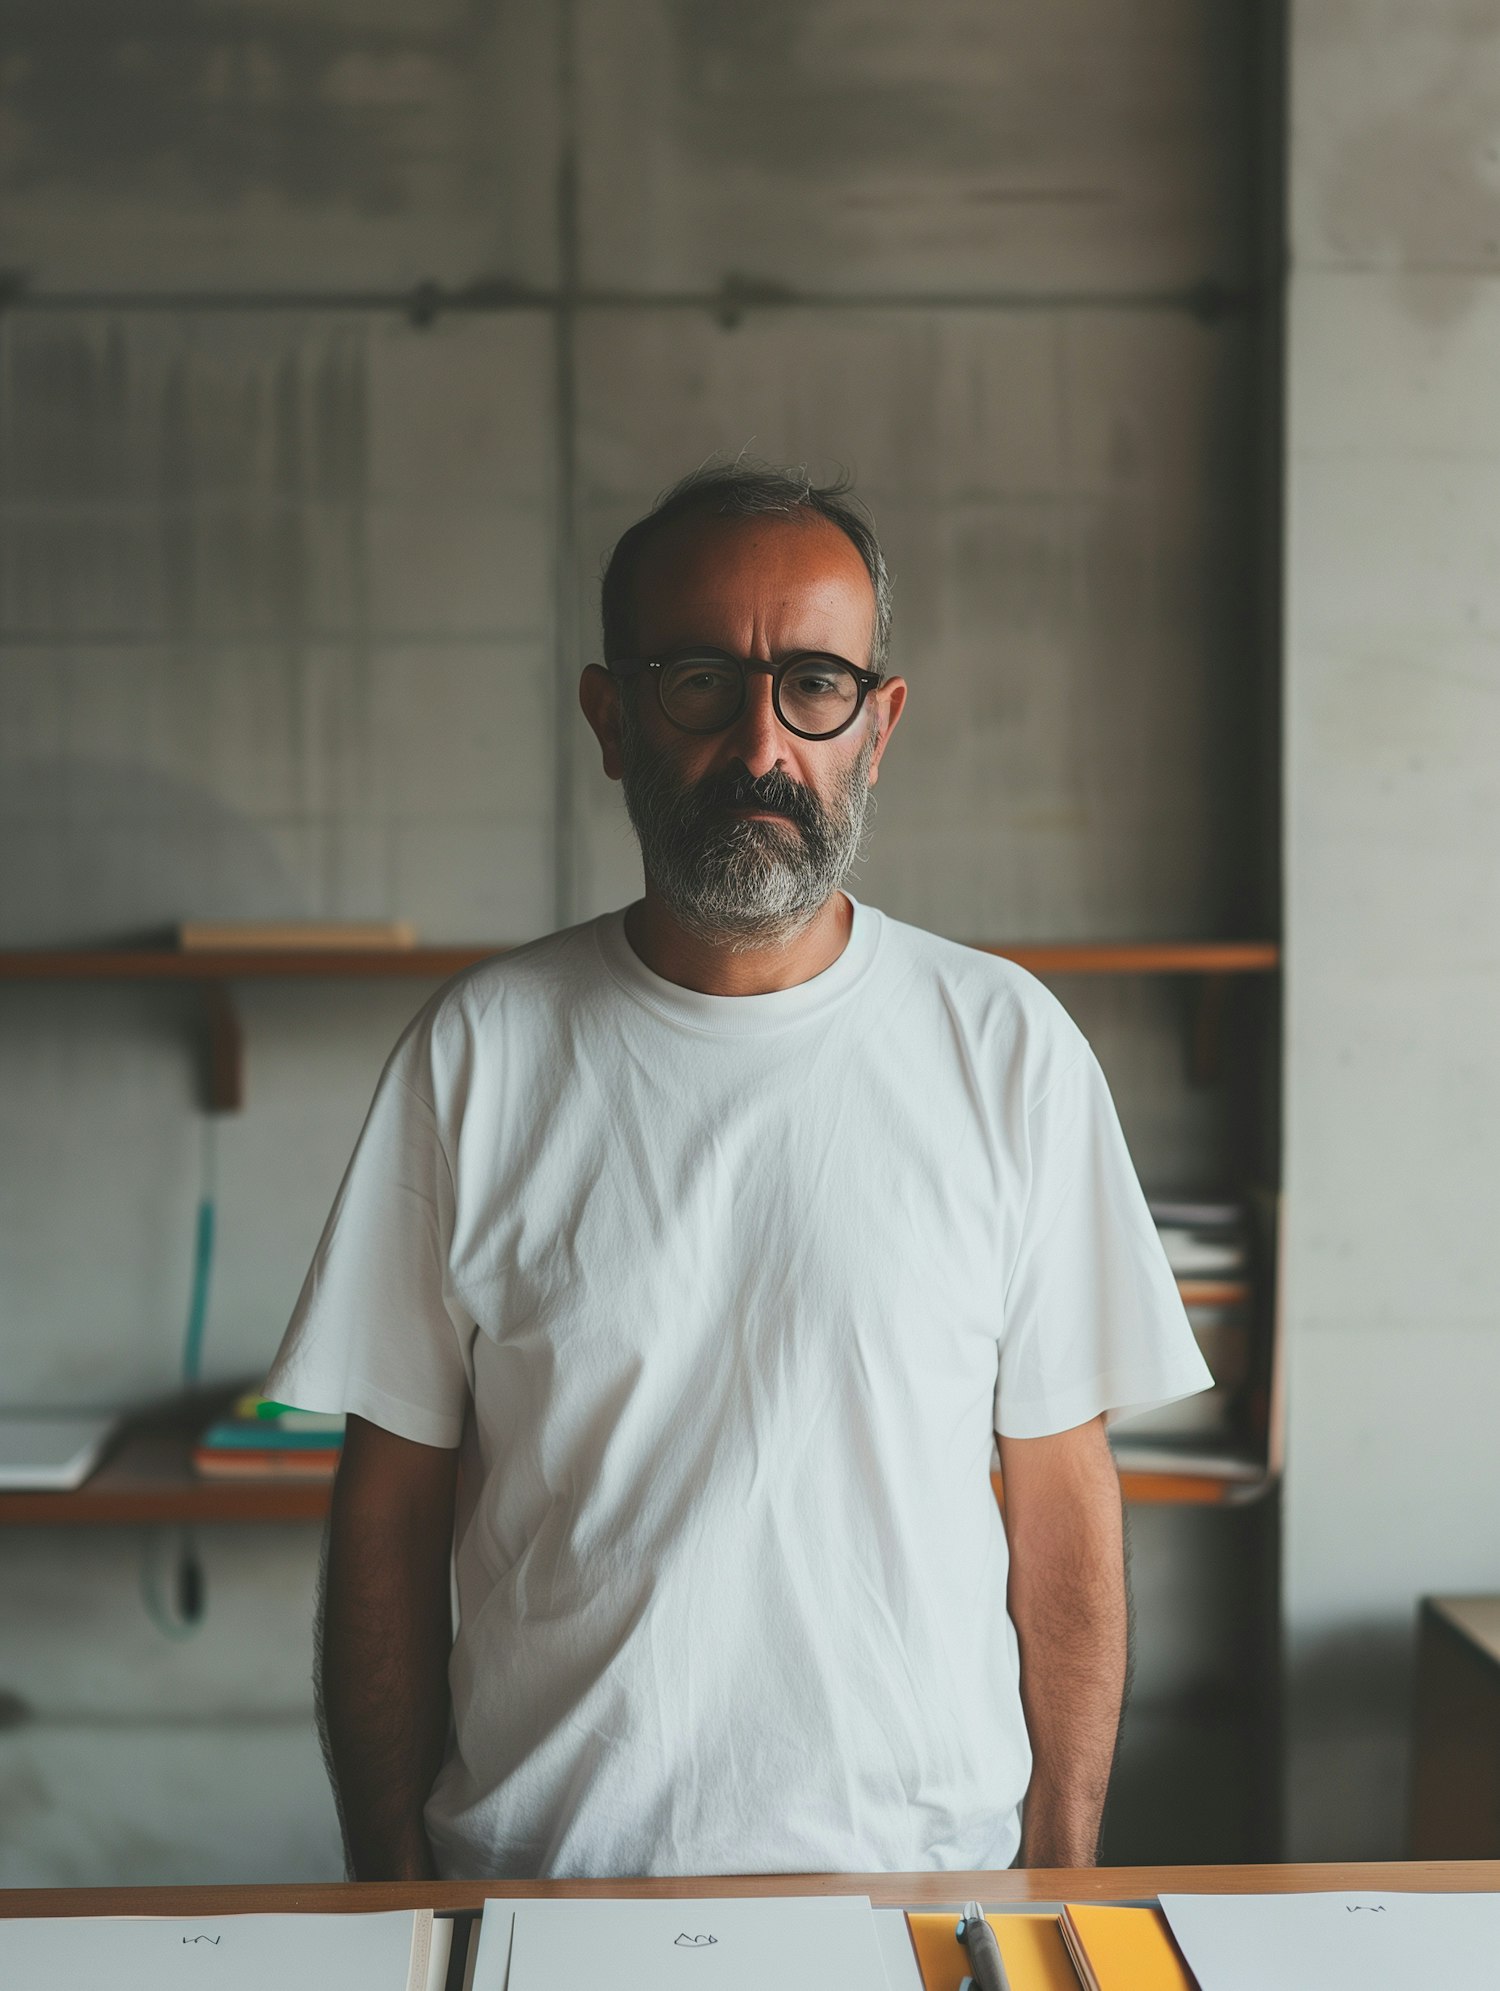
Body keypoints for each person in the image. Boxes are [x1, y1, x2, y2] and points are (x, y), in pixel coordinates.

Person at [265, 462, 1211, 1883]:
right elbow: (388, 1509)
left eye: (815, 684)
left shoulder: (1006, 1047)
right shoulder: (478, 1054)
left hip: (925, 1896)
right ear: (612, 717)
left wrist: (1062, 1861)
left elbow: (1064, 1495)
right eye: (702, 681)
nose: (762, 744)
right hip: (547, 1899)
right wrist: (391, 1884)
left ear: (877, 727)